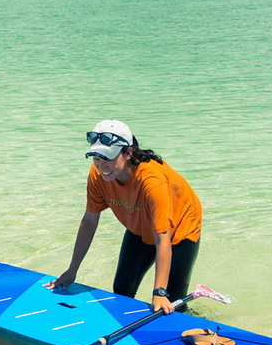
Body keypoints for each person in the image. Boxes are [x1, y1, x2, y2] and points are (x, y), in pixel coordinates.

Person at [46, 120, 202, 315]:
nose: (102, 166)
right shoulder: (98, 174)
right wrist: (72, 270)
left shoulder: (153, 181)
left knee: (173, 302)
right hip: (140, 224)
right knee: (121, 290)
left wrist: (159, 292)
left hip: (179, 228)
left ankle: (199, 323)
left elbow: (163, 238)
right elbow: (89, 221)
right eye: (97, 158)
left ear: (128, 153)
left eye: (108, 158)